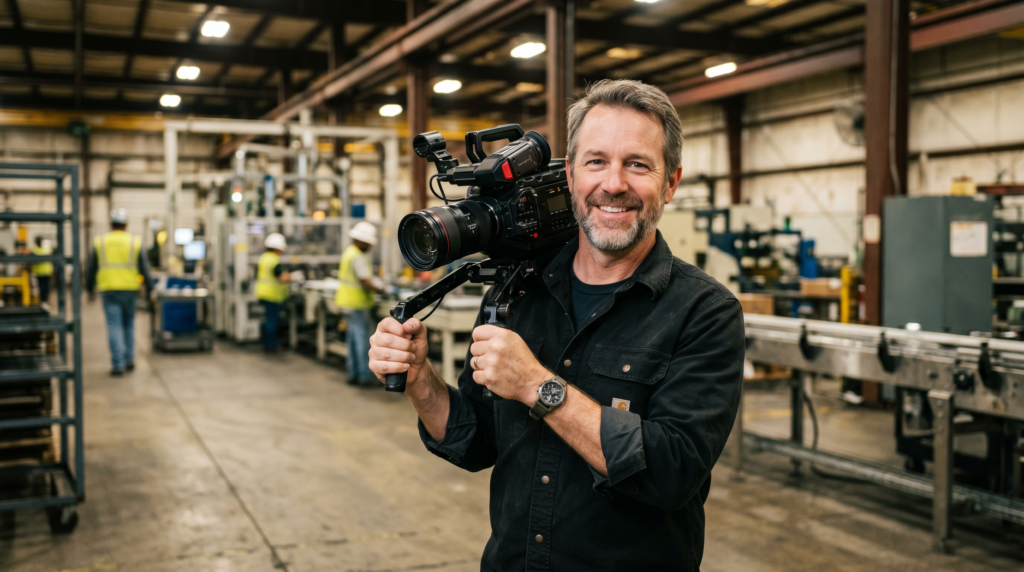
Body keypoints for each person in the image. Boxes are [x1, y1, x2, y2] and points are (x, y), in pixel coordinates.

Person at [369, 79, 744, 570]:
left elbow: (671, 472)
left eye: (637, 164)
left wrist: (539, 386)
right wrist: (421, 380)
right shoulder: (516, 290)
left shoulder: (705, 311)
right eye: (595, 161)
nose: (613, 183)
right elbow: (475, 440)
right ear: (569, 175)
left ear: (670, 183)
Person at [86, 209, 152, 376]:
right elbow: (145, 268)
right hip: (130, 289)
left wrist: (89, 288)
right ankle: (129, 360)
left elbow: (91, 268)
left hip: (109, 290)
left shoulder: (100, 242)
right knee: (129, 325)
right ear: (126, 224)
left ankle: (118, 364)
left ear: (111, 224)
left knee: (114, 326)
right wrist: (150, 288)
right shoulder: (134, 241)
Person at [336, 221, 385, 386]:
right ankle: (364, 376)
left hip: (347, 302)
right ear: (362, 241)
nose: (370, 246)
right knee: (362, 340)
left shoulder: (348, 252)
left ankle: (353, 372)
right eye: (369, 243)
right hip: (358, 303)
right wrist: (380, 288)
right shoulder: (358, 257)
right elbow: (364, 281)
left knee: (352, 340)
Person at [255, 233, 291, 353]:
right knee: (272, 321)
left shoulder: (264, 258)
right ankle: (271, 346)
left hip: (263, 293)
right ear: (277, 248)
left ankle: (267, 343)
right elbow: (280, 277)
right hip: (272, 295)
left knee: (268, 320)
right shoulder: (274, 260)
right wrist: (292, 277)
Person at [32, 237, 54, 307]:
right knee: (42, 288)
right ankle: (43, 301)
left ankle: (45, 301)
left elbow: (52, 254)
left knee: (46, 288)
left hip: (46, 272)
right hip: (40, 273)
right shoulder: (35, 250)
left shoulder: (45, 248)